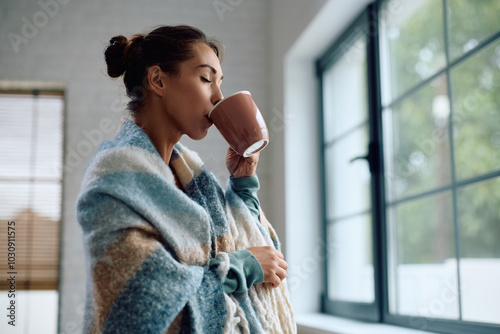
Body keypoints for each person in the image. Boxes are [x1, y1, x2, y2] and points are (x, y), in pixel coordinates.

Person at [76, 25, 296, 333]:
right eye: (206, 79)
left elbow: (257, 248)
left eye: (220, 84)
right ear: (158, 80)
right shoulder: (113, 179)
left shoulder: (195, 181)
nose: (219, 97)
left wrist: (244, 181)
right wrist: (239, 268)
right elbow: (137, 308)